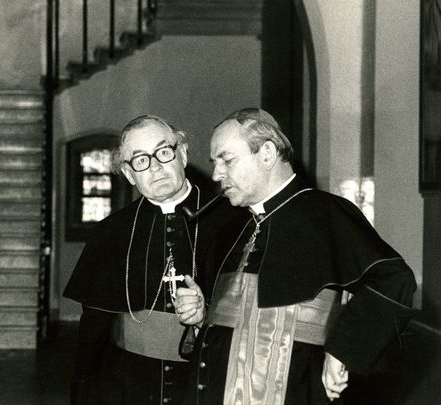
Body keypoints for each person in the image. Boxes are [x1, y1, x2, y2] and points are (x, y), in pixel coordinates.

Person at [177, 108, 417, 405]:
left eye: (226, 160)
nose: (216, 174)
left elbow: (395, 280)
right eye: (215, 163)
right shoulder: (231, 226)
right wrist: (202, 313)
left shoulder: (327, 214)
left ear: (266, 153)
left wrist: (342, 351)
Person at [63, 115, 234, 405]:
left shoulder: (230, 220)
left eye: (163, 153)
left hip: (208, 380)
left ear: (182, 154)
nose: (155, 167)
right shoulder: (111, 232)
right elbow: (94, 330)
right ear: (129, 175)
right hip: (128, 385)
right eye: (140, 160)